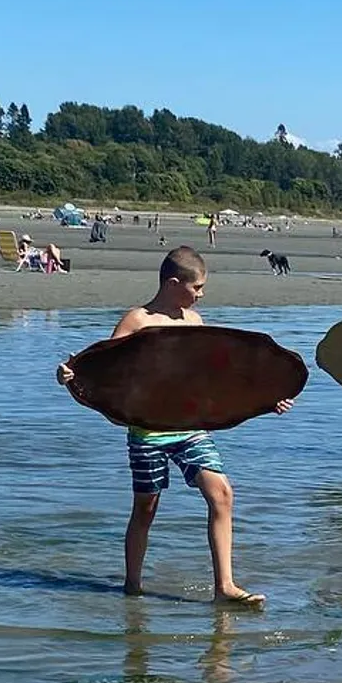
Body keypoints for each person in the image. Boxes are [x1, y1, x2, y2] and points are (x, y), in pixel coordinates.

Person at [55, 246, 290, 604]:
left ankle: (224, 586)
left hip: (190, 426)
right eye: (197, 288)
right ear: (173, 283)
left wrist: (263, 401)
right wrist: (70, 377)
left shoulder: (195, 323)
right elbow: (106, 375)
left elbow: (217, 380)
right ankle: (132, 588)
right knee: (146, 509)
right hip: (148, 430)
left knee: (222, 495)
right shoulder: (137, 322)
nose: (201, 295)